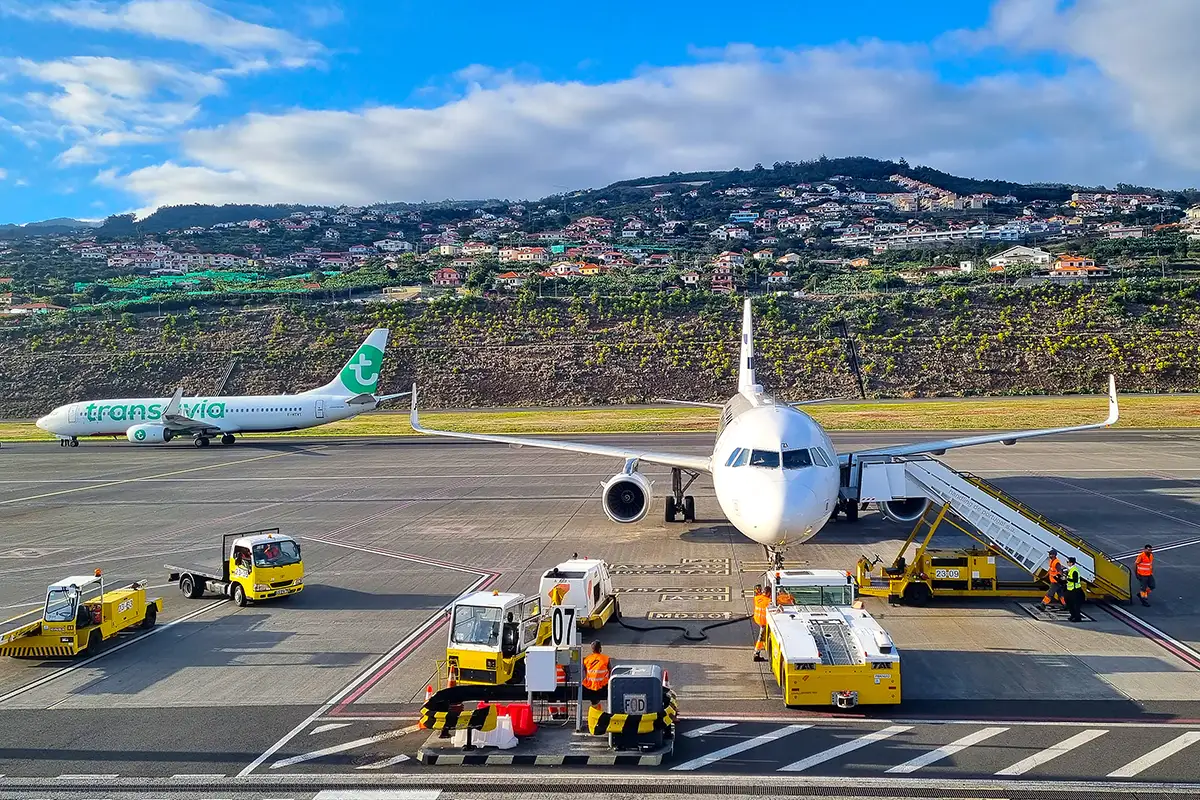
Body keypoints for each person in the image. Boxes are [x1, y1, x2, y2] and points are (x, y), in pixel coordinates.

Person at [581, 640, 611, 708]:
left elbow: (584, 672)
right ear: (600, 649)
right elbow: (610, 670)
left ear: (592, 650)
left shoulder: (587, 659)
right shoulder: (606, 659)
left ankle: (595, 707)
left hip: (589, 687)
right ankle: (596, 709)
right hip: (602, 687)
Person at [752, 584, 770, 662]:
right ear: (769, 593)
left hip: (757, 619)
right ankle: (756, 653)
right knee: (761, 637)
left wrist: (758, 589)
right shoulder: (768, 601)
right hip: (763, 622)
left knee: (762, 636)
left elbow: (756, 593)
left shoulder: (757, 598)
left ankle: (757, 652)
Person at [1065, 556, 1085, 622]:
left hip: (1075, 590)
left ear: (1071, 563)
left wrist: (1067, 579)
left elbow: (1075, 580)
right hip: (1070, 589)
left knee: (1075, 605)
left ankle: (1077, 617)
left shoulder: (1074, 570)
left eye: (1068, 562)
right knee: (1069, 603)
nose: (1067, 563)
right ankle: (1073, 615)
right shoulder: (1070, 569)